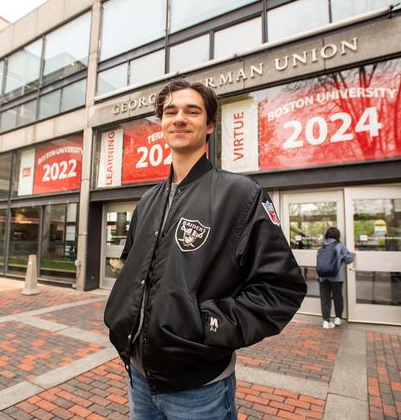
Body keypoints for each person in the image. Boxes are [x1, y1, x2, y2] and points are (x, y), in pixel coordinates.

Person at [103, 79, 307, 419]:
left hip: (200, 390)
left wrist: (206, 324)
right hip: (138, 377)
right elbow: (133, 269)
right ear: (162, 124)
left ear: (209, 124)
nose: (179, 118)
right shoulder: (147, 201)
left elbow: (281, 289)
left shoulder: (241, 195)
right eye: (171, 112)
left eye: (192, 111)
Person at [317, 227, 355, 329]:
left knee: (325, 298)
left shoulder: (322, 245)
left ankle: (326, 321)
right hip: (336, 277)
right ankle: (338, 319)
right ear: (337, 235)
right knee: (337, 297)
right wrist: (352, 254)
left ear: (327, 235)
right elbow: (348, 259)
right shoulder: (340, 246)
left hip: (322, 277)